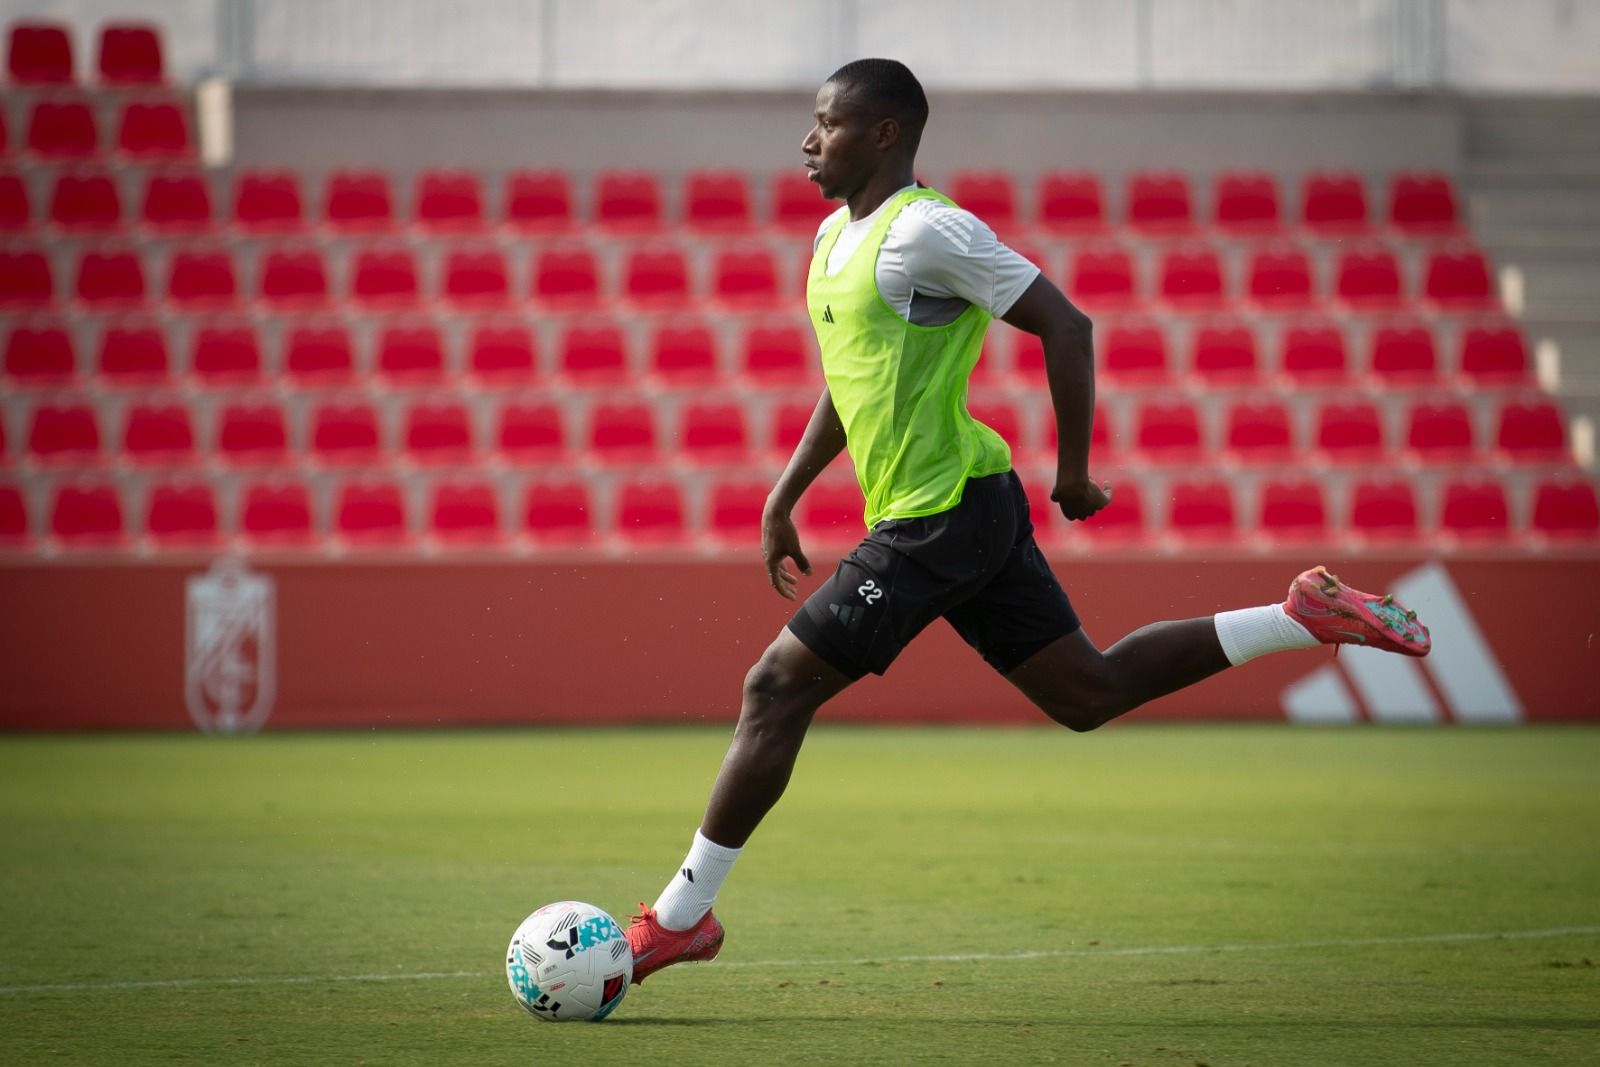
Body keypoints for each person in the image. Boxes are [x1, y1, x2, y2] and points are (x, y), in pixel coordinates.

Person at [623, 58, 1431, 983]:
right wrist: (784, 492)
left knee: (773, 690)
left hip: (941, 517)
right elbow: (853, 384)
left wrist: (1075, 471)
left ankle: (683, 916)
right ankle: (1299, 617)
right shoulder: (833, 238)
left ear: (885, 133)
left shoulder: (930, 230)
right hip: (957, 509)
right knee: (1087, 693)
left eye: (827, 123)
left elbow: (1067, 324)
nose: (808, 141)